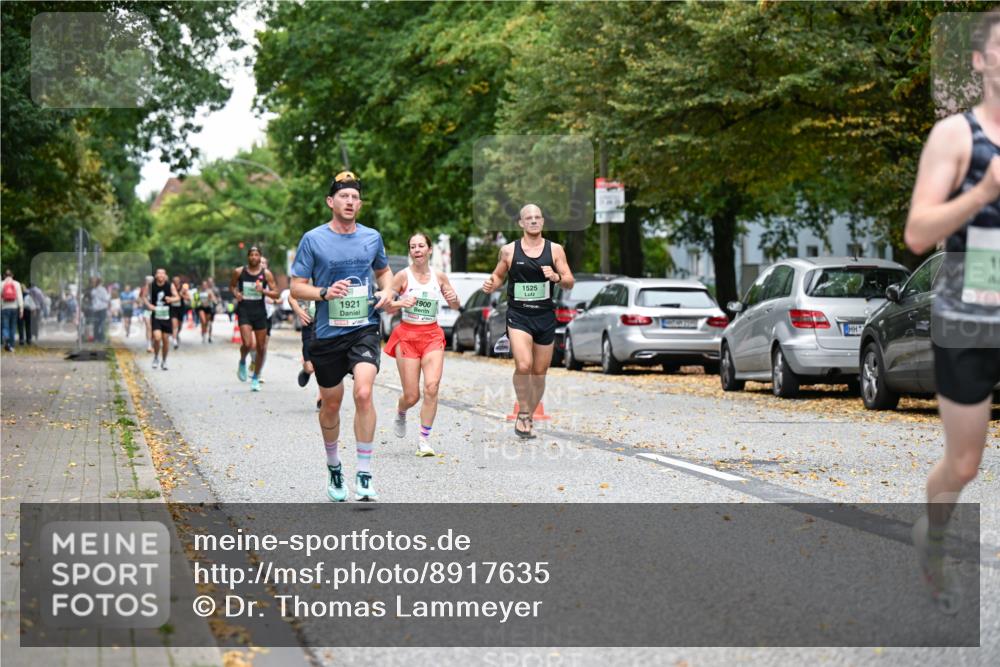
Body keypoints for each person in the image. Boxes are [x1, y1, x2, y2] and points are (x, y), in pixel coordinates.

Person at [904, 10, 1000, 614]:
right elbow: (917, 233)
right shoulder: (957, 136)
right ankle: (933, 534)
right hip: (971, 305)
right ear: (981, 61)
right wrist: (983, 194)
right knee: (964, 463)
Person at [290, 170, 394, 502]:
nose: (350, 202)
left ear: (359, 204)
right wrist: (323, 292)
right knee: (332, 403)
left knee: (363, 393)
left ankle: (364, 473)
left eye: (355, 198)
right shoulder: (313, 239)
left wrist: (388, 291)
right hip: (326, 333)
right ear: (330, 202)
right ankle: (334, 466)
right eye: (344, 197)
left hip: (363, 327)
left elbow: (384, 272)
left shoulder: (371, 237)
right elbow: (296, 286)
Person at [483, 204, 574, 439]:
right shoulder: (509, 251)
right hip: (519, 315)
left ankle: (528, 415)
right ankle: (523, 412)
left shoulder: (555, 250)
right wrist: (491, 283)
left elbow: (569, 280)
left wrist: (556, 277)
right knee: (524, 365)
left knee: (540, 371)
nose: (533, 221)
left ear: (542, 222)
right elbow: (499, 276)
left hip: (544, 316)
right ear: (521, 223)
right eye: (528, 218)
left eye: (537, 217)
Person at [386, 233, 461, 456]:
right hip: (407, 336)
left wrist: (453, 297)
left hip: (432, 336)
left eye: (421, 246)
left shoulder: (439, 276)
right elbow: (387, 305)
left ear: (429, 250)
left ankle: (424, 440)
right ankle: (401, 411)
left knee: (432, 387)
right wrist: (401, 302)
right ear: (410, 252)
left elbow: (455, 305)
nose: (417, 250)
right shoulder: (402, 276)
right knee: (412, 396)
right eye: (413, 247)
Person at [231, 247, 278, 392]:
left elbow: (276, 293)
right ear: (248, 257)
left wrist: (263, 291)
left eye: (256, 255)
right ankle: (242, 361)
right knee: (247, 343)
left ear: (260, 257)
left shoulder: (266, 274)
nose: (254, 257)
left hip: (260, 312)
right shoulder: (239, 272)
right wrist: (236, 294)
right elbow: (232, 286)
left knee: (261, 347)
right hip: (244, 310)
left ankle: (256, 377)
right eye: (251, 254)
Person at [288, 286, 323, 409]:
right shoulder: (305, 279)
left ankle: (322, 396)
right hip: (309, 325)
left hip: (325, 326)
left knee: (324, 364)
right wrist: (299, 311)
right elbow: (291, 296)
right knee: (310, 367)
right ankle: (306, 371)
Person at [144, 268, 180, 370]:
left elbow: (177, 297)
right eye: (159, 273)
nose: (160, 275)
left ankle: (164, 361)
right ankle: (156, 357)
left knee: (165, 340)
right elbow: (144, 296)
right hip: (156, 316)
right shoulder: (151, 285)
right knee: (157, 338)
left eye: (162, 273)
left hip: (166, 316)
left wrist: (171, 299)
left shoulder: (170, 285)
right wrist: (149, 305)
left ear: (165, 276)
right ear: (156, 275)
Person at [1, 270, 24, 352]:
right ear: (12, 275)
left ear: (4, 276)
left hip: (4, 308)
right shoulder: (17, 284)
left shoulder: (1, 284)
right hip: (14, 308)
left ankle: (6, 339)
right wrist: (21, 309)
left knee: (5, 326)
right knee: (13, 327)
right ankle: (12, 346)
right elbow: (20, 297)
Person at [90, 277, 110, 343]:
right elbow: (106, 298)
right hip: (102, 308)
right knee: (102, 323)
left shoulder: (93, 290)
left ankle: (96, 338)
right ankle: (101, 338)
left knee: (96, 324)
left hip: (95, 309)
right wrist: (109, 294)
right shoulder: (102, 289)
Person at [169, 276, 187, 349]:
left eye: (177, 280)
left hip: (181, 308)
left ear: (179, 281)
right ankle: (174, 341)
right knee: (174, 325)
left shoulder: (183, 288)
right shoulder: (170, 288)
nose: (176, 282)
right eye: (174, 280)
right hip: (173, 308)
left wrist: (182, 294)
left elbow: (188, 297)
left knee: (179, 326)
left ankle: (176, 335)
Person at [19, 281, 35, 345]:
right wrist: (33, 311)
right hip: (27, 311)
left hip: (20, 311)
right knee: (28, 326)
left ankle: (21, 340)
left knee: (20, 326)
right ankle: (29, 339)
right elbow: (32, 304)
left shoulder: (18, 295)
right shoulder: (28, 295)